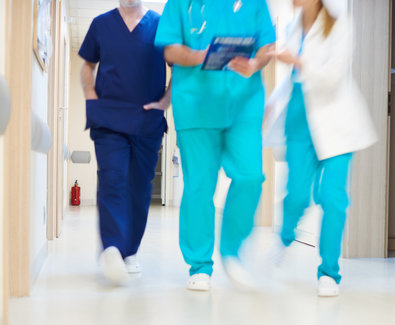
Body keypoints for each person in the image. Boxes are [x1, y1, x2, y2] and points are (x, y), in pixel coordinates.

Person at [155, 0, 276, 291]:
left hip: (243, 102)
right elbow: (170, 49)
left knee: (250, 176)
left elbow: (267, 45)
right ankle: (199, 265)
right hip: (196, 103)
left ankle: (231, 250)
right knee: (199, 185)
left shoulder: (255, 3)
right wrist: (201, 56)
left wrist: (255, 64)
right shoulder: (180, 5)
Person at [264, 0, 377, 296]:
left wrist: (298, 60)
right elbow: (291, 81)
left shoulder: (340, 24)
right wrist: (271, 103)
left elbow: (332, 77)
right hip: (299, 121)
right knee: (298, 195)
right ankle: (285, 236)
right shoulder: (291, 27)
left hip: (336, 122)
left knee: (333, 198)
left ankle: (329, 272)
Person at [79, 0, 171, 284]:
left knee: (140, 187)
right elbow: (87, 66)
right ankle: (112, 248)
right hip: (108, 119)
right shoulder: (101, 24)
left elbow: (178, 69)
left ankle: (129, 250)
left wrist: (164, 103)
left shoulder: (159, 24)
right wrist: (92, 98)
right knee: (113, 177)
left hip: (146, 121)